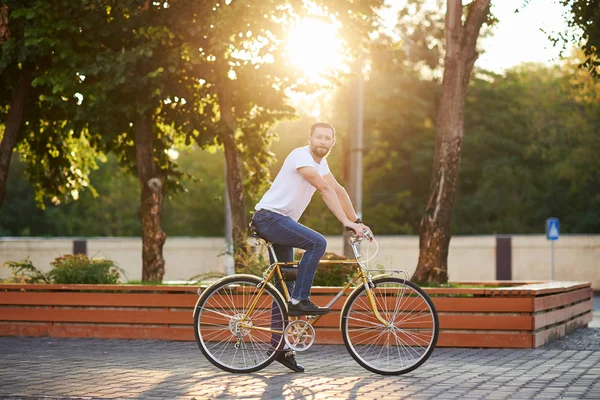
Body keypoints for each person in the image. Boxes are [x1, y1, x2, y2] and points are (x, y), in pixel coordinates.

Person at [250, 122, 369, 372]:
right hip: (269, 218)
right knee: (318, 242)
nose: (323, 142)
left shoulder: (320, 163)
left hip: (281, 222)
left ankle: (279, 348)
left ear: (332, 143)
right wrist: (345, 222)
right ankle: (300, 299)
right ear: (310, 138)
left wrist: (357, 222)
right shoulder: (300, 156)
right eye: (319, 137)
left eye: (328, 138)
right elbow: (324, 189)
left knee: (285, 286)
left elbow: (338, 189)